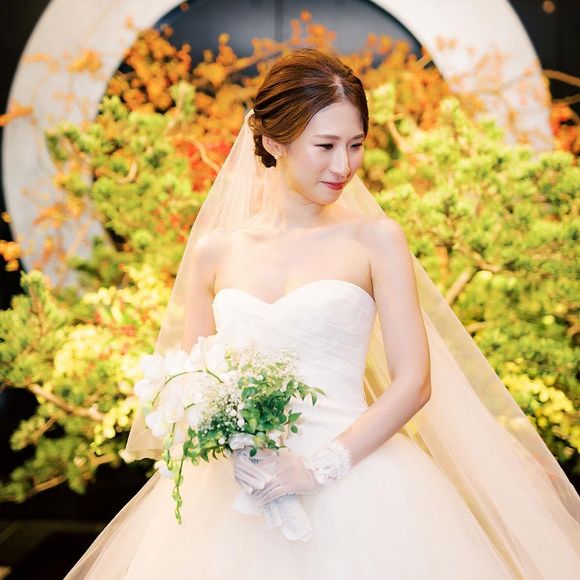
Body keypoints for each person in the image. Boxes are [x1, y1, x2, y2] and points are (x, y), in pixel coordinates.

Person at [65, 48, 579, 579]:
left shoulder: (377, 239)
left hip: (360, 480)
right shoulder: (214, 252)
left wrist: (317, 467)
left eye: (355, 145)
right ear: (273, 141)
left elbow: (414, 383)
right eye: (326, 145)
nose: (344, 166)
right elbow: (193, 381)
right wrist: (236, 444)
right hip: (236, 492)